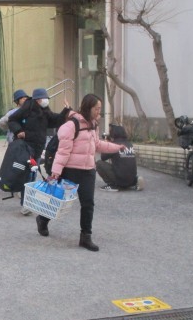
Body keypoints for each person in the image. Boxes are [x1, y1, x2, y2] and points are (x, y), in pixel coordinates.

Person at [38, 94, 125, 252]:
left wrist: (116, 147)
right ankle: (43, 219)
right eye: (96, 108)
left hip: (88, 171)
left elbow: (97, 145)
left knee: (88, 204)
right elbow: (63, 151)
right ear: (88, 107)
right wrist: (56, 171)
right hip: (70, 170)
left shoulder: (93, 125)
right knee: (59, 200)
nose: (99, 112)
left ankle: (86, 237)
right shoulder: (71, 125)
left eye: (100, 108)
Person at [8, 87, 70, 214]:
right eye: (44, 98)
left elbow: (55, 120)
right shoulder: (27, 107)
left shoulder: (45, 110)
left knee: (32, 175)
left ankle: (27, 202)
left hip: (38, 147)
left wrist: (66, 110)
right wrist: (19, 131)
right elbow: (12, 119)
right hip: (27, 146)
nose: (46, 100)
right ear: (37, 100)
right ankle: (25, 204)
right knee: (28, 175)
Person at [96, 124, 144, 191]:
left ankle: (113, 185)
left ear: (114, 133)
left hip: (120, 178)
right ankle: (135, 181)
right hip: (131, 178)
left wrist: (107, 144)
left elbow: (103, 157)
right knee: (123, 166)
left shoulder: (114, 145)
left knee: (99, 163)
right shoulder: (129, 144)